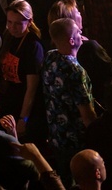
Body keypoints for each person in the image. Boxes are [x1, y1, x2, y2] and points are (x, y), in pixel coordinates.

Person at [41, 18, 96, 182]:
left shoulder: (50, 57)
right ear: (71, 41)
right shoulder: (75, 70)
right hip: (76, 142)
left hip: (56, 137)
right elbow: (87, 114)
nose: (81, 33)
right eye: (78, 32)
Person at [0, 0, 44, 139]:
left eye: (17, 23)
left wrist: (23, 118)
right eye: (9, 22)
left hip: (24, 106)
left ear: (29, 22)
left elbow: (32, 88)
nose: (12, 27)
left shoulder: (33, 46)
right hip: (9, 103)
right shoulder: (9, 37)